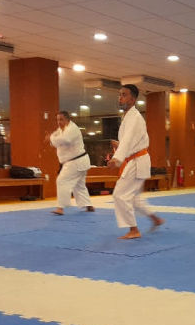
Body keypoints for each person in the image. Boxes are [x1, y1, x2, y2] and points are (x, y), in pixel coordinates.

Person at [107, 84, 164, 239]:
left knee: (120, 194)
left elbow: (128, 140)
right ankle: (155, 219)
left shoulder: (134, 117)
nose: (120, 98)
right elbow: (130, 141)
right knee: (133, 197)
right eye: (119, 94)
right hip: (136, 159)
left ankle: (134, 230)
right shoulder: (128, 117)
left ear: (133, 99)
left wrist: (117, 158)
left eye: (124, 95)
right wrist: (119, 148)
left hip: (137, 161)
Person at [46, 110, 93, 215]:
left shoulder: (72, 128)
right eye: (57, 120)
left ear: (67, 119)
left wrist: (52, 138)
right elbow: (55, 140)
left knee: (61, 180)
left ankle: (60, 208)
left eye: (61, 119)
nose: (59, 122)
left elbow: (65, 140)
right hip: (78, 161)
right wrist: (53, 138)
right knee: (79, 185)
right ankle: (88, 205)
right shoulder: (60, 130)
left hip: (76, 161)